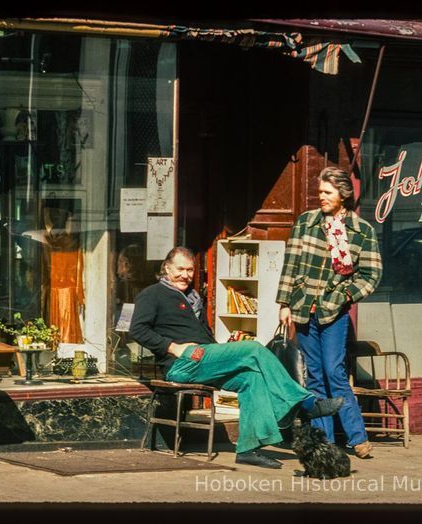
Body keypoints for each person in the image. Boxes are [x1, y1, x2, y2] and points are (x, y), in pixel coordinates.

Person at [130, 246, 344, 469]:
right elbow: (138, 330)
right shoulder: (152, 294)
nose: (186, 275)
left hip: (205, 359)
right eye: (180, 269)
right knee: (253, 348)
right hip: (181, 363)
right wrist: (173, 348)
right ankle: (305, 402)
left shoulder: (193, 298)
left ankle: (248, 449)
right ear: (166, 268)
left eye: (190, 270)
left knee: (253, 378)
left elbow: (204, 336)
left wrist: (220, 353)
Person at [276, 167, 383, 459]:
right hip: (303, 307)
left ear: (343, 195)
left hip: (333, 312)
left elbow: (371, 274)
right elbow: (291, 264)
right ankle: (323, 440)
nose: (321, 197)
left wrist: (343, 296)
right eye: (320, 192)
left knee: (334, 371)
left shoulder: (361, 231)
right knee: (314, 377)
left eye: (327, 192)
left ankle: (357, 437)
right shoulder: (305, 223)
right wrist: (284, 303)